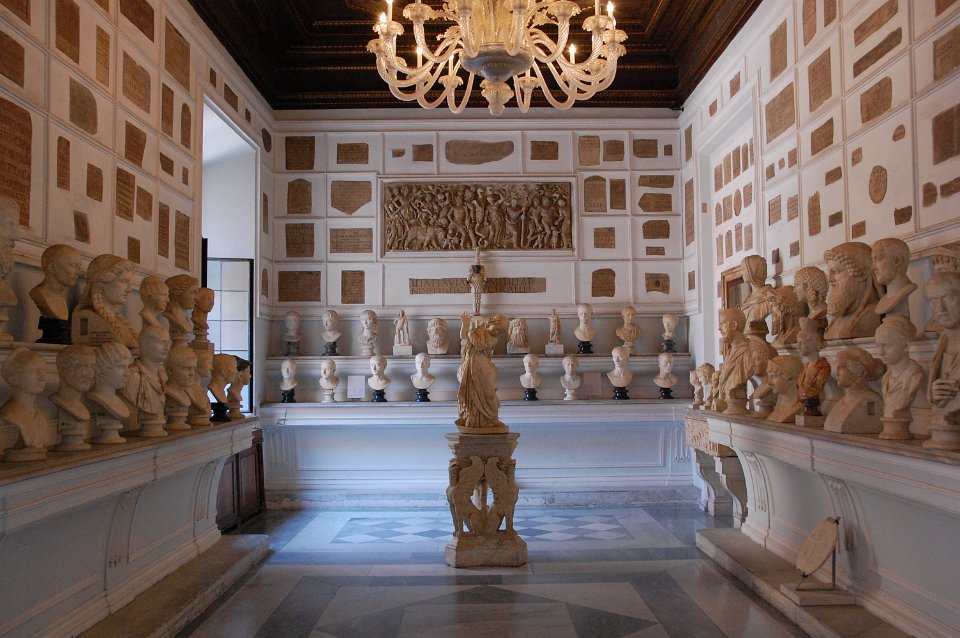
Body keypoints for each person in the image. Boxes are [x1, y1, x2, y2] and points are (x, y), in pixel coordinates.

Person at [924, 271, 960, 450]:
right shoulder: (942, 342)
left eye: (948, 298)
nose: (940, 308)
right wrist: (934, 394)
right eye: (933, 300)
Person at [456, 315, 510, 433]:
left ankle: (492, 419)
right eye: (496, 328)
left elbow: (480, 345)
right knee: (473, 391)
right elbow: (464, 336)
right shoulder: (477, 331)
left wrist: (472, 334)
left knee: (489, 391)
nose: (497, 332)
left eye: (500, 331)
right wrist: (465, 324)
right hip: (472, 363)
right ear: (491, 323)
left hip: (483, 363)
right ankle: (473, 418)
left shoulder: (493, 339)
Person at [72, 254, 137, 348]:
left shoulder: (121, 323)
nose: (129, 289)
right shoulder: (86, 317)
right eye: (124, 281)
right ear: (103, 282)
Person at [875, 315, 923, 439]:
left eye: (886, 345)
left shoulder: (914, 375)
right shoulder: (886, 378)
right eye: (878, 345)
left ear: (906, 345)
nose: (880, 352)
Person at [823, 241, 881, 340]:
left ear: (862, 274)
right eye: (830, 273)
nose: (830, 280)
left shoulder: (872, 313)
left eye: (836, 272)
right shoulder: (837, 321)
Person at [0, 348, 50, 461]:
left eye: (44, 372)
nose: (42, 377)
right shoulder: (9, 413)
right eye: (34, 371)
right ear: (13, 379)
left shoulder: (41, 417)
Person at [824, 347, 885, 434]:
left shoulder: (871, 400)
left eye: (841, 368)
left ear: (859, 371)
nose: (837, 373)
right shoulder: (844, 400)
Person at [51, 344, 97, 451]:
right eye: (83, 366)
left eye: (92, 366)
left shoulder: (82, 407)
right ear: (63, 370)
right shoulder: (61, 403)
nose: (90, 373)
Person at [88, 342, 134, 443]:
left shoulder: (117, 401)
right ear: (102, 368)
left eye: (127, 367)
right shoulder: (98, 398)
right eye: (121, 367)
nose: (127, 373)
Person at [30, 244, 84, 321]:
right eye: (73, 265)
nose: (79, 272)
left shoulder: (62, 300)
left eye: (79, 266)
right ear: (52, 268)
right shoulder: (40, 295)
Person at [872, 238, 916, 318]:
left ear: (897, 261)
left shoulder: (906, 291)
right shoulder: (884, 299)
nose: (873, 268)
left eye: (878, 259)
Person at [765, 355, 804, 423]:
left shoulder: (799, 408)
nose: (769, 383)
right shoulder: (779, 407)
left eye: (773, 376)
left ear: (791, 379)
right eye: (769, 377)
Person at [163, 275, 200, 345]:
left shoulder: (187, 320)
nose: (197, 298)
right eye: (192, 292)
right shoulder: (171, 317)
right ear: (177, 293)